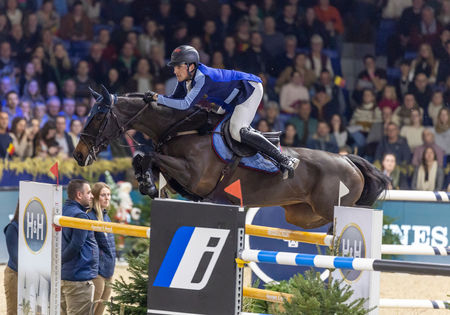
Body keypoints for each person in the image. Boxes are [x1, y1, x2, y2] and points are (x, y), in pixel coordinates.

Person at [144, 45, 299, 179]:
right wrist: (156, 102)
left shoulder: (202, 78)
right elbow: (174, 99)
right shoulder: (186, 79)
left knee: (237, 130)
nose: (175, 71)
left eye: (178, 67)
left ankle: (284, 159)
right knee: (214, 120)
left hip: (248, 88)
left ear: (191, 66)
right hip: (230, 96)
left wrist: (157, 98)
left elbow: (185, 104)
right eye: (174, 67)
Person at [61, 179, 98, 315]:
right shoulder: (80, 215)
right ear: (79, 195)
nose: (92, 196)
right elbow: (76, 245)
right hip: (78, 278)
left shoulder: (63, 210)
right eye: (88, 193)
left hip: (64, 276)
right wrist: (60, 261)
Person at [87, 183, 116, 315]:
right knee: (92, 307)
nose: (107, 198)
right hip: (97, 270)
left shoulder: (106, 217)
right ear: (96, 197)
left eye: (108, 195)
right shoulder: (89, 217)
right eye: (103, 195)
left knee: (102, 306)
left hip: (109, 269)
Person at [4, 202, 19, 315]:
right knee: (13, 311)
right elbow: (15, 257)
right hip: (15, 274)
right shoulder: (13, 227)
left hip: (33, 275)